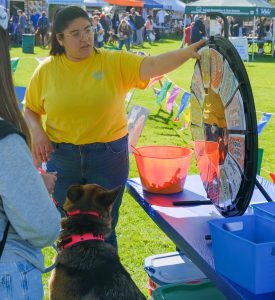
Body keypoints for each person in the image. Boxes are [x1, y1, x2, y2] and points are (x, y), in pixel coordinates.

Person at [24, 6, 204, 250]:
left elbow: (152, 65)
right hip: (63, 157)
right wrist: (37, 132)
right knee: (66, 227)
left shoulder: (113, 61)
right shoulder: (46, 70)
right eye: (75, 33)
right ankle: (70, 282)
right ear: (60, 39)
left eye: (88, 30)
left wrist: (187, 52)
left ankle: (104, 284)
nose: (85, 38)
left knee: (104, 229)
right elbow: (31, 110)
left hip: (108, 157)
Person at [0, 25, 60, 300]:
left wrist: (31, 180)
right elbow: (42, 227)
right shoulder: (5, 141)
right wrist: (36, 189)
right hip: (10, 271)